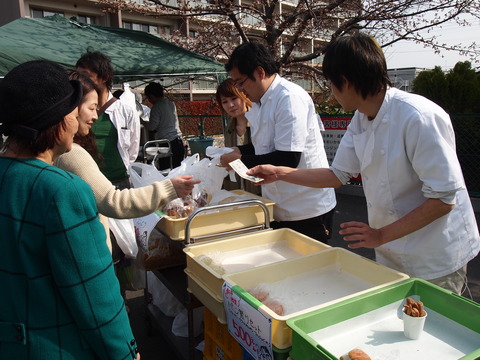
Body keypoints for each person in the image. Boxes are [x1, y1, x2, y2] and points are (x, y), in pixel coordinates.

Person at [248, 32, 480, 294]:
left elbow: (443, 199)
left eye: (331, 85)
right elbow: (337, 175)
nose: (332, 93)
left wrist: (380, 235)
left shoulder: (418, 117)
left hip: (435, 255)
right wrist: (279, 172)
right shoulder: (361, 118)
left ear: (345, 82)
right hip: (391, 248)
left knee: (433, 325)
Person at [0, 60, 140, 359]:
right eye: (73, 110)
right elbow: (94, 293)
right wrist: (125, 351)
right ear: (56, 119)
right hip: (57, 344)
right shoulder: (63, 190)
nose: (78, 121)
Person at [55, 71, 199, 253]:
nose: (95, 117)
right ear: (72, 109)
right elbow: (113, 201)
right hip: (86, 249)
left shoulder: (55, 152)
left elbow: (134, 145)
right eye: (92, 109)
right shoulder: (71, 153)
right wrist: (170, 188)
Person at [220, 42, 336, 242]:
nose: (239, 89)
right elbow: (262, 145)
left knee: (308, 267)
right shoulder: (258, 103)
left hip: (307, 206)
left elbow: (288, 157)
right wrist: (238, 149)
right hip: (276, 203)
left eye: (240, 82)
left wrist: (238, 160)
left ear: (260, 72)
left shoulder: (289, 98)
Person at [76, 50, 140, 189]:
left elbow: (132, 150)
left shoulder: (126, 111)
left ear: (104, 78)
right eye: (79, 75)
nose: (81, 81)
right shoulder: (74, 110)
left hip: (118, 182)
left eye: (86, 76)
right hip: (86, 182)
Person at [215, 78, 260, 195]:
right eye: (224, 102)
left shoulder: (259, 122)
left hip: (259, 189)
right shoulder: (229, 129)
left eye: (234, 98)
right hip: (236, 190)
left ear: (244, 96)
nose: (230, 105)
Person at [143, 82, 185, 169]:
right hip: (178, 141)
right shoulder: (170, 103)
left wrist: (142, 122)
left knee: (167, 171)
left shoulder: (156, 107)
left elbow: (152, 127)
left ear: (151, 95)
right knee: (178, 170)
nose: (148, 100)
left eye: (148, 97)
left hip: (167, 144)